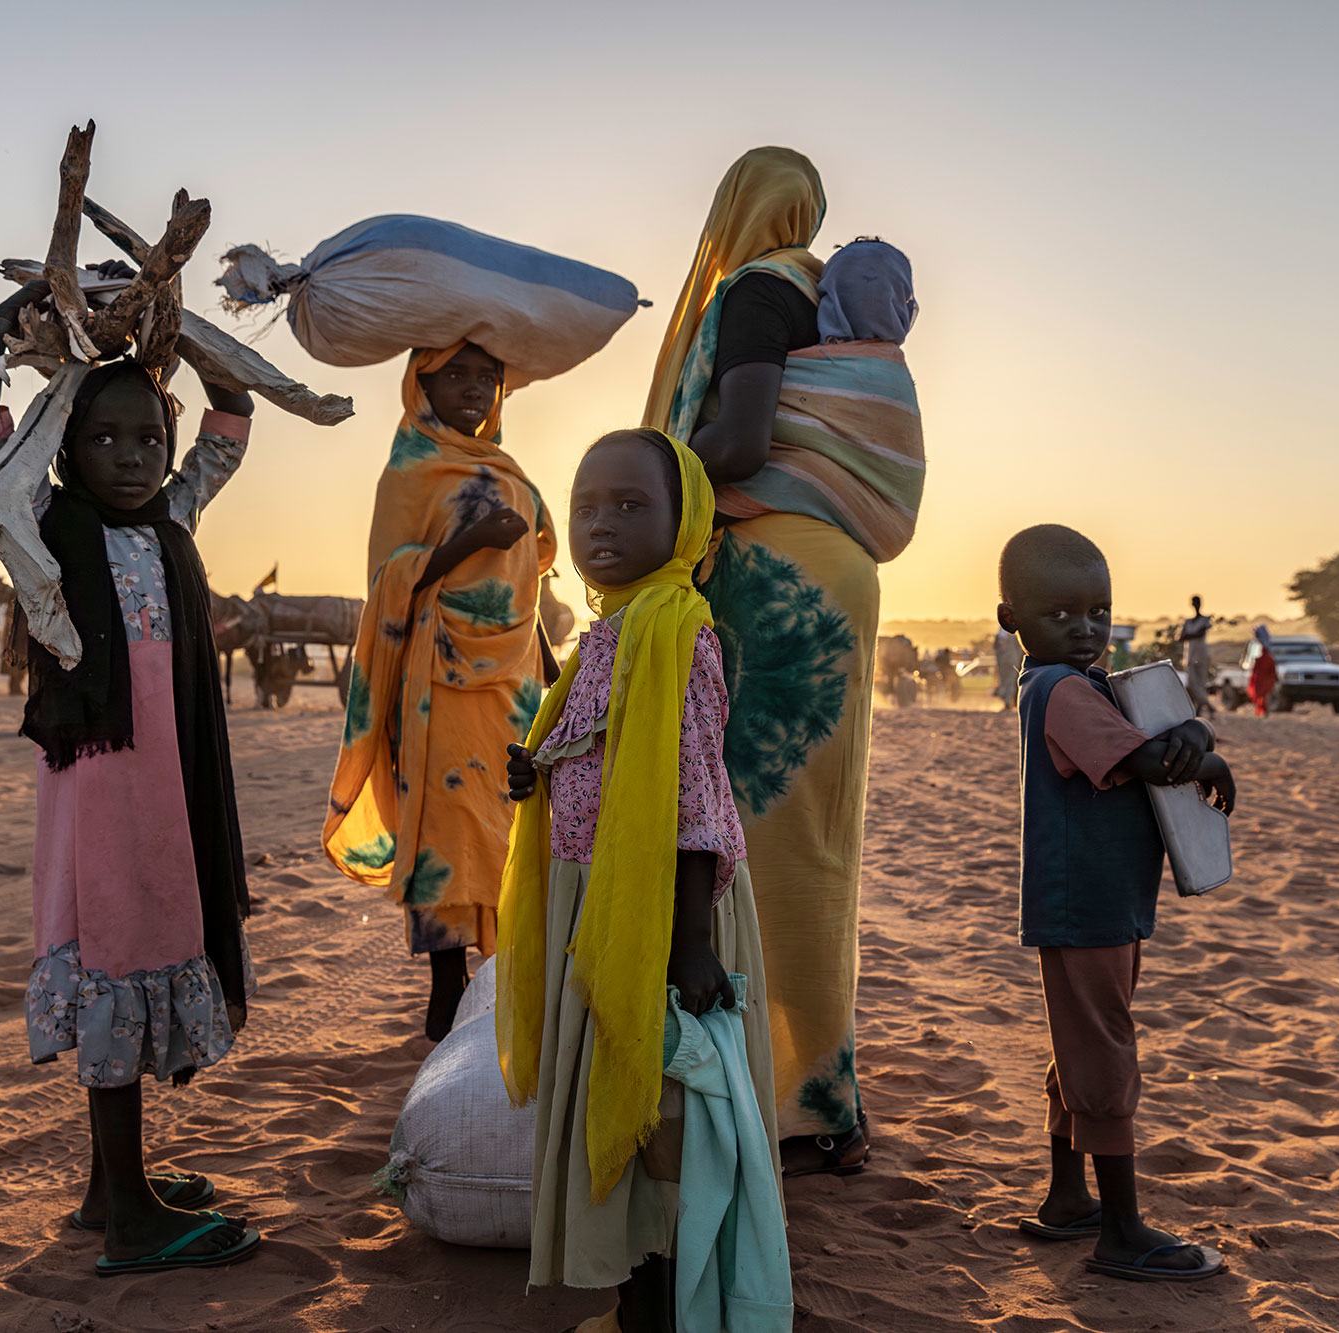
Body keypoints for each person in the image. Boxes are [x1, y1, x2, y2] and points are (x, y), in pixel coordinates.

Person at [0, 268, 261, 1274]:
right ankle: (131, 1217)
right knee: (119, 954)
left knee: (139, 943)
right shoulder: (43, 531)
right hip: (103, 788)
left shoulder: (167, 522)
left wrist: (178, 335)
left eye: (147, 439)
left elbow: (230, 420)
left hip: (159, 787)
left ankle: (107, 1187)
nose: (130, 457)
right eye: (102, 438)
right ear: (66, 448)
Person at [646, 149, 929, 1173]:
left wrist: (642, 474)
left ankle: (769, 1098)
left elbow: (745, 436)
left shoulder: (758, 290)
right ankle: (820, 1089)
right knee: (814, 838)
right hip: (835, 571)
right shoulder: (824, 298)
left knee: (744, 836)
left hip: (772, 579)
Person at [499, 430, 784, 1332]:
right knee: (613, 1094)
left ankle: (661, 1304)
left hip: (661, 912)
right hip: (598, 902)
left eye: (632, 506)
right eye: (586, 506)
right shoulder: (607, 632)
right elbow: (599, 755)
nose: (602, 524)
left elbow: (694, 794)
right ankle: (635, 1298)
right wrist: (535, 772)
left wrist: (689, 940)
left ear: (687, 525)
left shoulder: (678, 629)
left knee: (664, 1114)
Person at [997, 523, 1234, 1284]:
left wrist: (1194, 739)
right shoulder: (1060, 688)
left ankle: (1070, 1198)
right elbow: (1150, 758)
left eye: (1098, 610)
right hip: (1086, 900)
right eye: (1062, 612)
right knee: (1104, 1046)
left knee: (1083, 1039)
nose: (1086, 627)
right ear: (1013, 620)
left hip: (1101, 897)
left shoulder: (1075, 683)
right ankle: (1123, 1229)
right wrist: (1202, 738)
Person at [323, 341, 556, 1042]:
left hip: (513, 679)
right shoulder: (411, 469)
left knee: (511, 824)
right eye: (457, 373)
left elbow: (532, 576)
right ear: (421, 383)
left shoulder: (510, 469)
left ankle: (507, 975)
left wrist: (551, 669)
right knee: (447, 825)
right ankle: (447, 983)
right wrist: (470, 539)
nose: (476, 387)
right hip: (438, 678)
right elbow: (391, 575)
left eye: (489, 374)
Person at [1179, 596, 1213, 719]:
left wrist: (1189, 635)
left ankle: (1199, 710)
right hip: (1190, 656)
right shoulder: (1189, 622)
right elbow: (1181, 637)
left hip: (1201, 655)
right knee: (1193, 684)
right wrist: (1192, 634)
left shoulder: (1204, 620)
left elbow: (1199, 633)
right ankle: (1208, 706)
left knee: (1200, 683)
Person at [1247, 624, 1278, 718]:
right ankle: (1262, 712)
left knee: (1264, 695)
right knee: (1262, 695)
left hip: (1264, 677)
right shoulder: (1264, 651)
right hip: (1262, 677)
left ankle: (1264, 712)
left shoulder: (1266, 655)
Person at [993, 627, 1023, 711]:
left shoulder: (1005, 633)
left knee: (1009, 681)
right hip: (1010, 662)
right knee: (1008, 681)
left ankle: (1008, 702)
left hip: (1009, 661)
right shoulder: (1011, 632)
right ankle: (1008, 702)